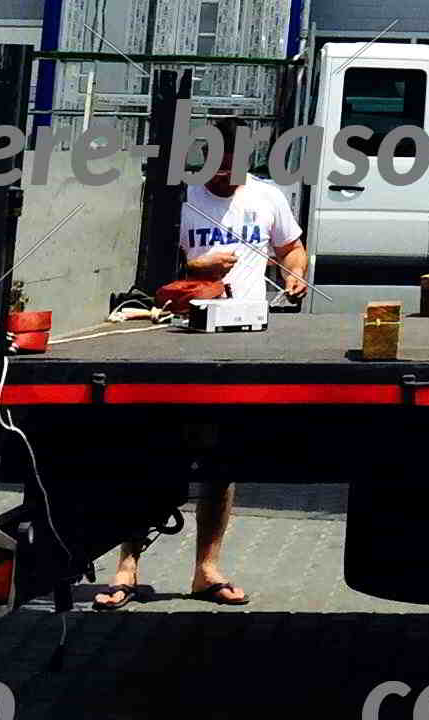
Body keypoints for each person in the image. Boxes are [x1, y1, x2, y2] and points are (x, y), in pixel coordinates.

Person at [95, 121, 311, 610]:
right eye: (219, 163)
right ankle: (127, 567)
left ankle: (206, 570)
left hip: (240, 338)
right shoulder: (180, 199)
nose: (227, 173)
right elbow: (147, 274)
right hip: (177, 337)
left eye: (236, 164)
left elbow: (291, 249)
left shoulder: (268, 197)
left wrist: (294, 274)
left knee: (221, 460)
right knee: (151, 453)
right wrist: (194, 269)